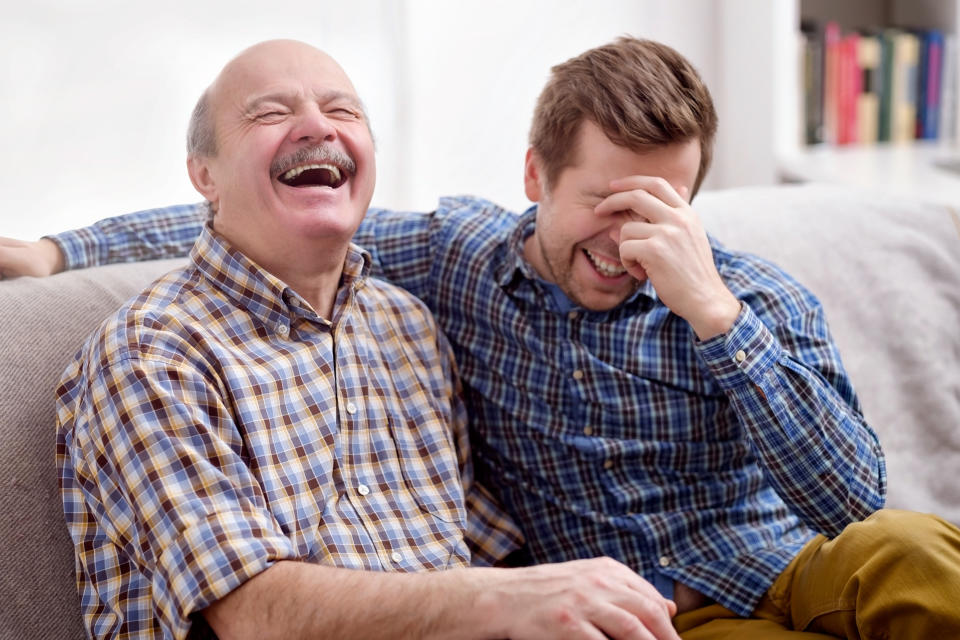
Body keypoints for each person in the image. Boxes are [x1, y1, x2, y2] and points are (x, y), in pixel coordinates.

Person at [7, 37, 960, 638]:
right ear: (536, 178)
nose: (630, 240)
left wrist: (720, 322)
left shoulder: (744, 298)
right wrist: (56, 252)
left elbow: (854, 505)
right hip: (666, 611)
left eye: (661, 207)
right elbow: (250, 220)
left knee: (916, 555)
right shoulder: (444, 267)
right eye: (603, 201)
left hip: (782, 560)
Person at [49, 39, 686, 640]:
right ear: (204, 177)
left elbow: (481, 540)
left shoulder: (405, 325)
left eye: (341, 110)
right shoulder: (151, 352)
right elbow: (250, 613)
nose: (317, 126)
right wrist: (511, 598)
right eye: (271, 112)